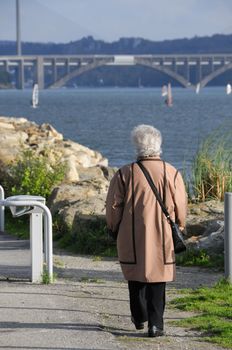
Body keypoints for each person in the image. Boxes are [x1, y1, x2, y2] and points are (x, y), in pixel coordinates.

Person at [106, 124, 187, 337]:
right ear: (158, 145)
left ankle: (139, 316)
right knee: (158, 278)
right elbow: (181, 207)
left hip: (131, 234)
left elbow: (114, 206)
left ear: (137, 146)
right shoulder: (172, 172)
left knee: (135, 275)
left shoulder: (124, 174)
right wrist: (180, 225)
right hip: (162, 234)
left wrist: (113, 228)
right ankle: (156, 324)